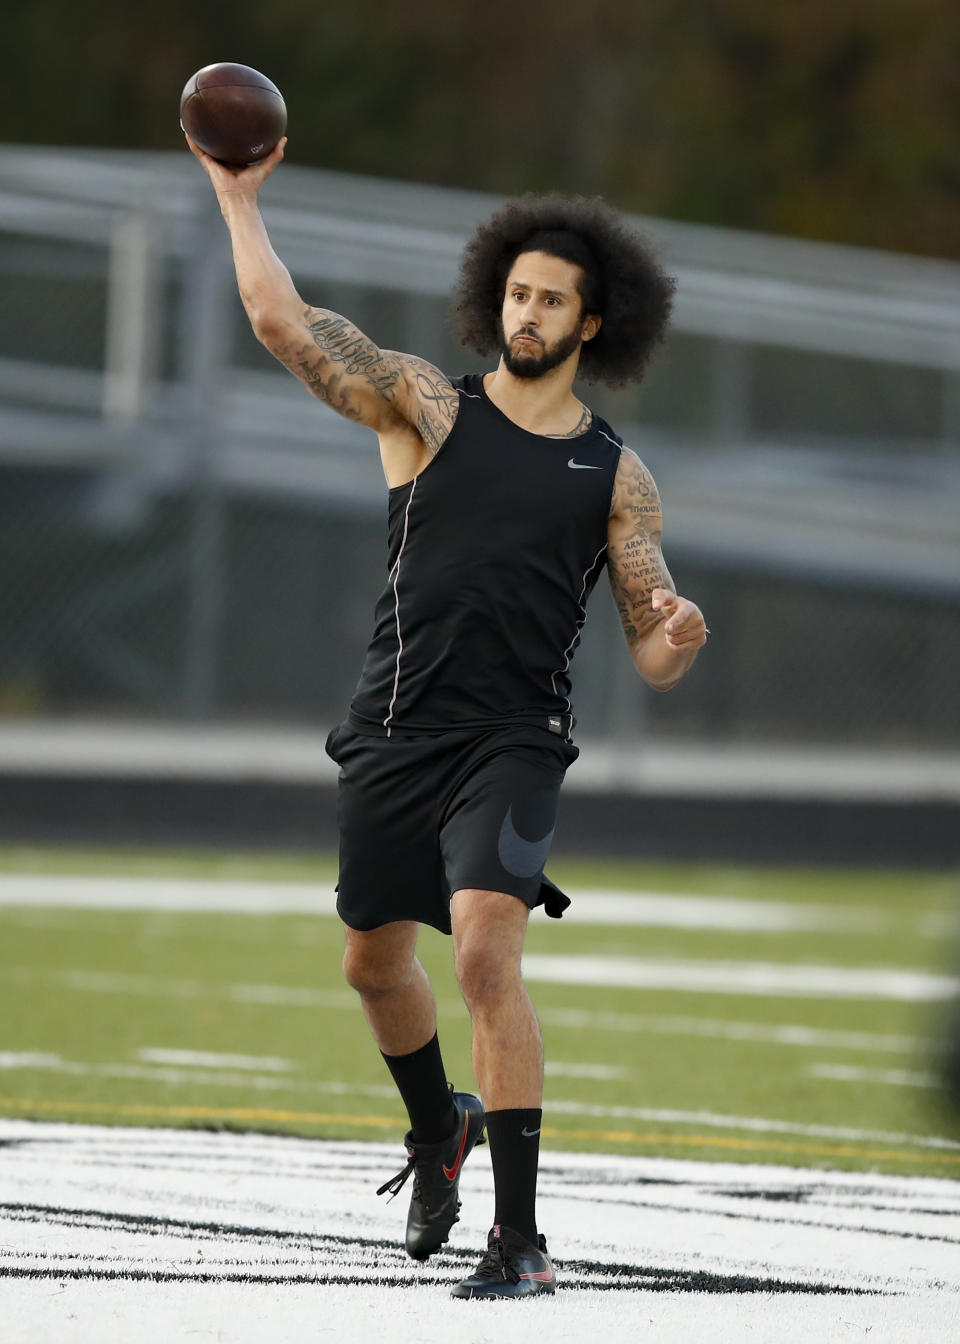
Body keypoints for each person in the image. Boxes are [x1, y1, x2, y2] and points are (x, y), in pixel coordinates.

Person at [186, 132, 707, 1299]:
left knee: (483, 952)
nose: (527, 312)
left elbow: (652, 644)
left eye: (551, 300)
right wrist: (237, 200)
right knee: (374, 966)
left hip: (514, 740)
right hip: (394, 725)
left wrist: (669, 640)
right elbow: (283, 325)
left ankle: (519, 1243)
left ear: (591, 324)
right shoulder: (426, 406)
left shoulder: (619, 476)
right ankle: (439, 1131)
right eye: (516, 291)